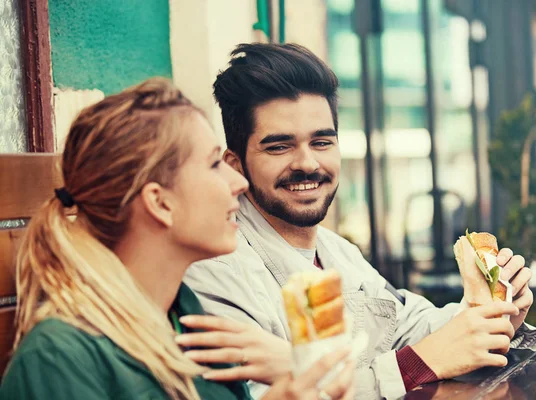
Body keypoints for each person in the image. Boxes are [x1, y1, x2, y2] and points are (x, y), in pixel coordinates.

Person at [184, 43, 536, 399]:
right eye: (279, 146)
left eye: (322, 141)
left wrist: (496, 316)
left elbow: (409, 324)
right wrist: (414, 365)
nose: (307, 163)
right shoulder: (214, 269)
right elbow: (260, 395)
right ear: (235, 165)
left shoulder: (336, 250)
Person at [0, 78, 355, 400]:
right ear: (159, 202)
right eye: (215, 164)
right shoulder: (60, 359)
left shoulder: (192, 325)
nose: (239, 182)